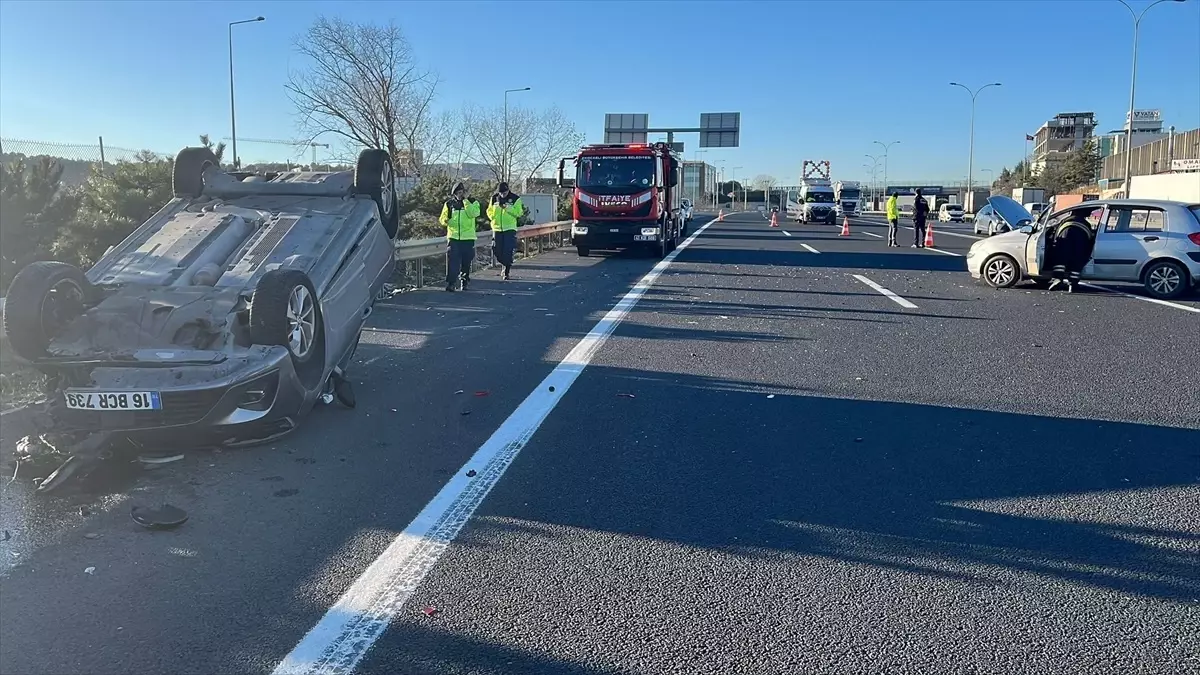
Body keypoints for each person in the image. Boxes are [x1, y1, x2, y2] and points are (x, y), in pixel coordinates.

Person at [439, 182, 480, 292]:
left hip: (468, 237)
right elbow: (442, 218)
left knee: (466, 261)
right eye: (457, 193)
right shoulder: (449, 204)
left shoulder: (472, 202)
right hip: (453, 237)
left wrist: (465, 201)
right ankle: (451, 283)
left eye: (461, 192)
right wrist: (445, 221)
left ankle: (464, 280)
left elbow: (473, 214)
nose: (459, 195)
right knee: (453, 261)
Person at [487, 181, 525, 280]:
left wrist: (507, 208)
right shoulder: (494, 198)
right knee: (496, 250)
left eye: (504, 193)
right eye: (500, 193)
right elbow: (489, 211)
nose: (502, 195)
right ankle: (505, 263)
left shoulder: (515, 199)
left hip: (509, 228)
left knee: (507, 251)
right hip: (497, 228)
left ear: (508, 190)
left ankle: (506, 271)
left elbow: (519, 213)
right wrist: (492, 217)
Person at [1047, 214, 1094, 292]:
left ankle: (1058, 278)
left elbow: (1054, 237)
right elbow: (1090, 240)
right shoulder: (1086, 223)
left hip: (1064, 236)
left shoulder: (1065, 220)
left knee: (1061, 257)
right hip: (1081, 237)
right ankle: (1073, 283)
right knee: (1077, 259)